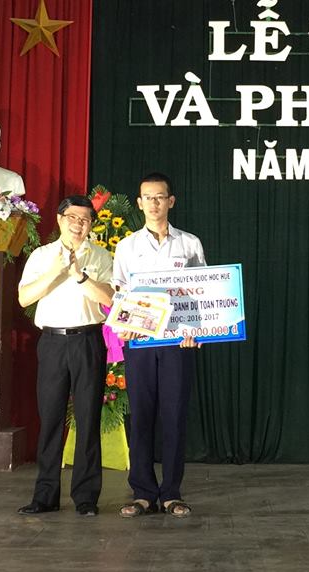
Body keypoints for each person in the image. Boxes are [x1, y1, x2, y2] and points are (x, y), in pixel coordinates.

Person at [112, 172, 205, 519]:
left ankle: (171, 493)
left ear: (171, 201)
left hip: (178, 342)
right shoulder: (127, 246)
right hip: (140, 342)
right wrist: (125, 325)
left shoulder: (189, 244)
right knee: (141, 415)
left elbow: (203, 292)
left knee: (174, 416)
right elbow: (119, 291)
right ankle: (142, 493)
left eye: (160, 197)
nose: (153, 203)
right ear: (139, 203)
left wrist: (197, 330)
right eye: (147, 197)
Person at [17, 196, 114, 517]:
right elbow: (24, 297)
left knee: (88, 419)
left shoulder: (101, 256)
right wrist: (57, 271)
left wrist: (79, 275)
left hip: (88, 341)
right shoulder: (41, 255)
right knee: (50, 419)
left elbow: (109, 298)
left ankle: (86, 497)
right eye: (72, 217)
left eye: (85, 219)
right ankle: (45, 496)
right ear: (59, 219)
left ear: (91, 224)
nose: (78, 224)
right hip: (52, 342)